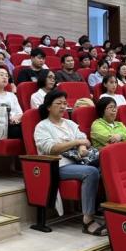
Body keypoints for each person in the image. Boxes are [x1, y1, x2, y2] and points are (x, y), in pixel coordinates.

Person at [34, 90, 107, 236]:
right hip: (59, 165)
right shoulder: (42, 127)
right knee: (91, 172)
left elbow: (84, 139)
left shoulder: (70, 123)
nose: (63, 106)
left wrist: (81, 147)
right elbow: (52, 149)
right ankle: (87, 221)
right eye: (58, 103)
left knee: (107, 162)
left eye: (64, 103)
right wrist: (76, 142)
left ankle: (109, 208)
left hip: (79, 161)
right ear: (48, 107)